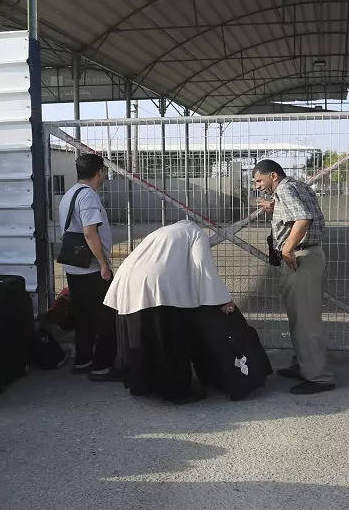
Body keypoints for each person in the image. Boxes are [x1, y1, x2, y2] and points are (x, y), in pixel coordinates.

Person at [104, 220, 256, 402]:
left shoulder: (164, 231)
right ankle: (174, 390)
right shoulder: (196, 233)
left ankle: (141, 385)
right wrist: (222, 299)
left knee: (139, 335)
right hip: (157, 283)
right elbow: (203, 266)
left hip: (127, 278)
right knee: (166, 338)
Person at [252, 159, 335, 394]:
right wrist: (273, 209)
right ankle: (304, 366)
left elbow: (303, 218)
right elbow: (300, 213)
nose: (257, 185)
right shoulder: (296, 186)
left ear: (273, 176)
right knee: (300, 319)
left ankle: (319, 377)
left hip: (300, 259)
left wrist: (287, 249)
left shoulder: (285, 189)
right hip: (307, 257)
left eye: (259, 180)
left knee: (305, 322)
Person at [57, 151, 118, 381]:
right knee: (106, 317)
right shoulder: (88, 196)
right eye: (104, 172)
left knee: (83, 317)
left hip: (74, 268)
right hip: (90, 268)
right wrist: (104, 264)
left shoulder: (69, 194)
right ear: (99, 172)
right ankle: (102, 367)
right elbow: (89, 232)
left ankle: (83, 361)